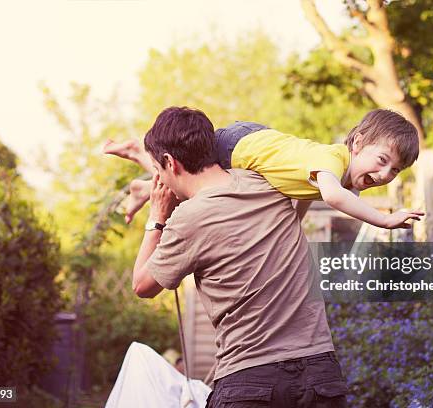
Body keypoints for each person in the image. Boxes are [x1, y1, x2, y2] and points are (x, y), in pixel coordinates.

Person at [129, 106, 348, 407]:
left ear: (170, 162)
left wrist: (156, 218)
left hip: (251, 380)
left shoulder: (189, 218)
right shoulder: (265, 180)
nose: (160, 181)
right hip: (320, 374)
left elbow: (142, 285)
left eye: (159, 170)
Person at [104, 109, 424, 227]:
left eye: (394, 171)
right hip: (236, 148)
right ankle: (138, 153)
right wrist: (384, 219)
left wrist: (292, 228)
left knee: (187, 196)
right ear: (358, 143)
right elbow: (333, 198)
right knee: (189, 184)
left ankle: (143, 189)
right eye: (382, 161)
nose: (384, 175)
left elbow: (303, 197)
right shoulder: (334, 161)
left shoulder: (336, 174)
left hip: (253, 138)